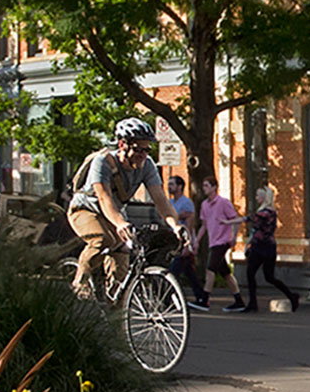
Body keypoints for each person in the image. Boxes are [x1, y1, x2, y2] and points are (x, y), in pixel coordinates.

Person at [66, 118, 189, 300]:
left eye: (147, 150)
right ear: (123, 144)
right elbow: (104, 197)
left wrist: (174, 225)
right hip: (85, 209)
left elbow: (160, 199)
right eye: (138, 149)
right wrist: (120, 223)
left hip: (114, 213)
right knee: (103, 239)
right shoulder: (102, 162)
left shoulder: (147, 166)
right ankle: (81, 279)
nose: (143, 154)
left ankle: (115, 306)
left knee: (123, 254)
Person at [231, 184, 300, 313]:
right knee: (259, 275)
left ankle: (290, 296)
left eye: (258, 195)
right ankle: (255, 302)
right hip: (264, 247)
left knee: (261, 275)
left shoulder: (268, 213)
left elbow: (251, 218)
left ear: (264, 197)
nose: (256, 198)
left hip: (262, 248)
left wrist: (230, 222)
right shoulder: (266, 212)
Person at [168, 175, 211, 310]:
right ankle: (201, 297)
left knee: (173, 273)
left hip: (182, 242)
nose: (169, 187)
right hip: (173, 241)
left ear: (180, 187)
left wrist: (188, 243)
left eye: (172, 184)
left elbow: (189, 222)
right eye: (169, 184)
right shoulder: (170, 202)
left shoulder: (186, 203)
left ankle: (170, 300)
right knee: (189, 273)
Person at [198, 175, 242, 297]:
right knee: (226, 274)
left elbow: (236, 219)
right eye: (203, 186)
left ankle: (204, 298)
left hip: (222, 241)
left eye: (207, 186)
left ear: (214, 187)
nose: (204, 188)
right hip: (213, 241)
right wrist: (197, 240)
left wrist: (234, 238)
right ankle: (238, 299)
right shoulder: (204, 205)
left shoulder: (223, 202)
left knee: (210, 269)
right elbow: (204, 225)